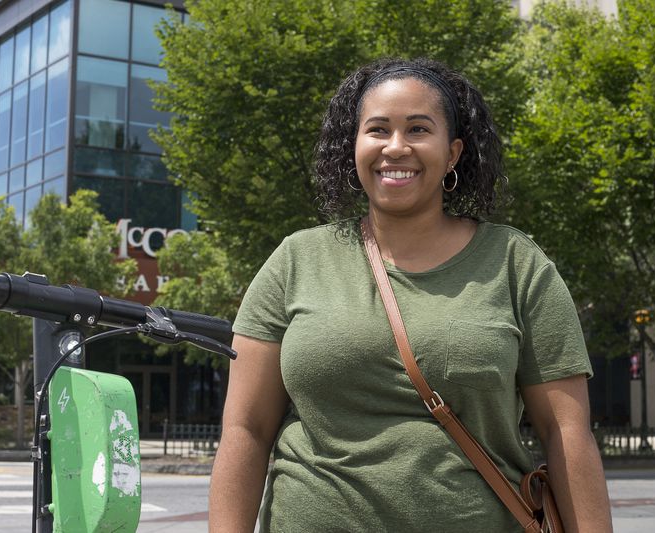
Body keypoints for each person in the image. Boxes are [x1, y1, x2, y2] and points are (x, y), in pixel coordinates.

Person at [209, 57, 613, 532]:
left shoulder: (515, 263)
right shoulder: (295, 260)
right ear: (354, 146)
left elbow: (565, 432)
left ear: (454, 152)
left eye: (419, 129)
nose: (395, 147)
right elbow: (246, 431)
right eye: (377, 130)